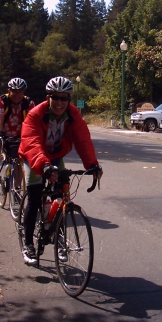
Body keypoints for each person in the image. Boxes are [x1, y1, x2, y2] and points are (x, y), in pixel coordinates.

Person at [18, 76, 102, 266]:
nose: (59, 102)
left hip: (55, 155)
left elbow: (82, 140)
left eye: (64, 98)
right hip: (34, 156)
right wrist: (44, 166)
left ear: (69, 100)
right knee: (34, 195)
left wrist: (92, 165)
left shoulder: (73, 115)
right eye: (55, 97)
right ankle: (28, 243)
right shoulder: (35, 114)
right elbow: (31, 143)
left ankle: (60, 239)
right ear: (48, 97)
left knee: (62, 195)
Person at [0, 78, 35, 179]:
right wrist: (0, 135)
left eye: (20, 91)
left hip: (20, 133)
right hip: (1, 131)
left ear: (24, 92)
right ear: (9, 91)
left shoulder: (28, 103)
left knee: (18, 160)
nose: (17, 94)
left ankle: (16, 191)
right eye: (14, 91)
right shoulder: (1, 101)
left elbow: (32, 123)